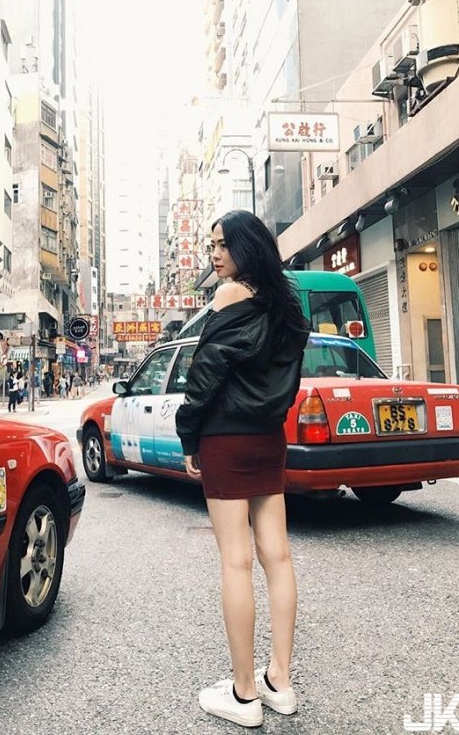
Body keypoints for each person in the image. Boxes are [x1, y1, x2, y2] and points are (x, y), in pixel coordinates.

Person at [175, 209, 310, 729]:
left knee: (236, 562)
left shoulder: (228, 296)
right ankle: (280, 681)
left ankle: (244, 692)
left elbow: (205, 372)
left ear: (246, 247)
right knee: (278, 556)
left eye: (223, 245)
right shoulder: (285, 303)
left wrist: (189, 433)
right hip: (267, 438)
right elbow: (289, 380)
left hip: (225, 438)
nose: (215, 254)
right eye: (212, 245)